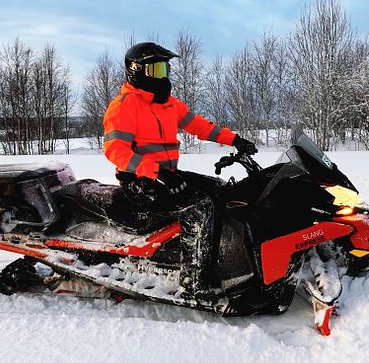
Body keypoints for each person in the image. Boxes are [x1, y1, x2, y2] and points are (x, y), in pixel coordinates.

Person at [102, 42, 257, 300]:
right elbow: (115, 150)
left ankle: (225, 258)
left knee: (221, 190)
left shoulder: (169, 105)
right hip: (140, 181)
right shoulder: (124, 106)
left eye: (165, 68)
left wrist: (235, 140)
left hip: (167, 176)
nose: (164, 75)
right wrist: (157, 173)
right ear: (137, 71)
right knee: (200, 208)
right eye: (157, 69)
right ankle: (194, 281)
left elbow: (199, 126)